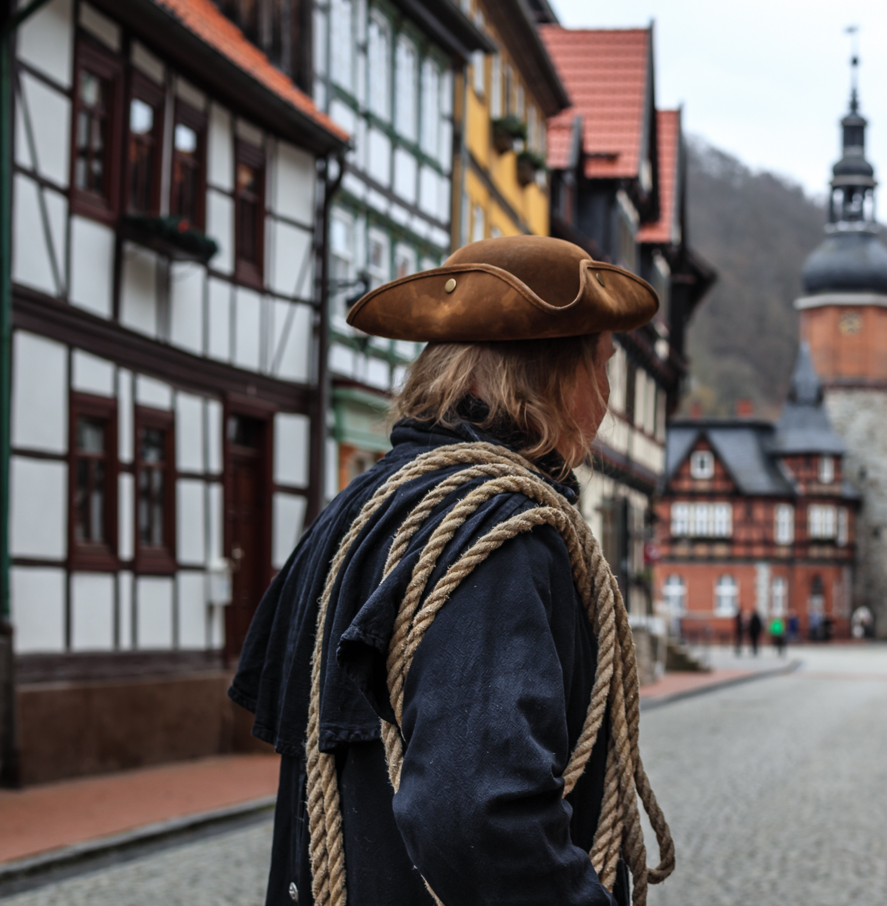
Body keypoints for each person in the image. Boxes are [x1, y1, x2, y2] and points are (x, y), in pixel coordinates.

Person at [229, 237, 673, 906]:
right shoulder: (495, 531)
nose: (607, 399)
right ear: (551, 372)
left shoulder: (356, 511)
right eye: (602, 364)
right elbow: (476, 812)